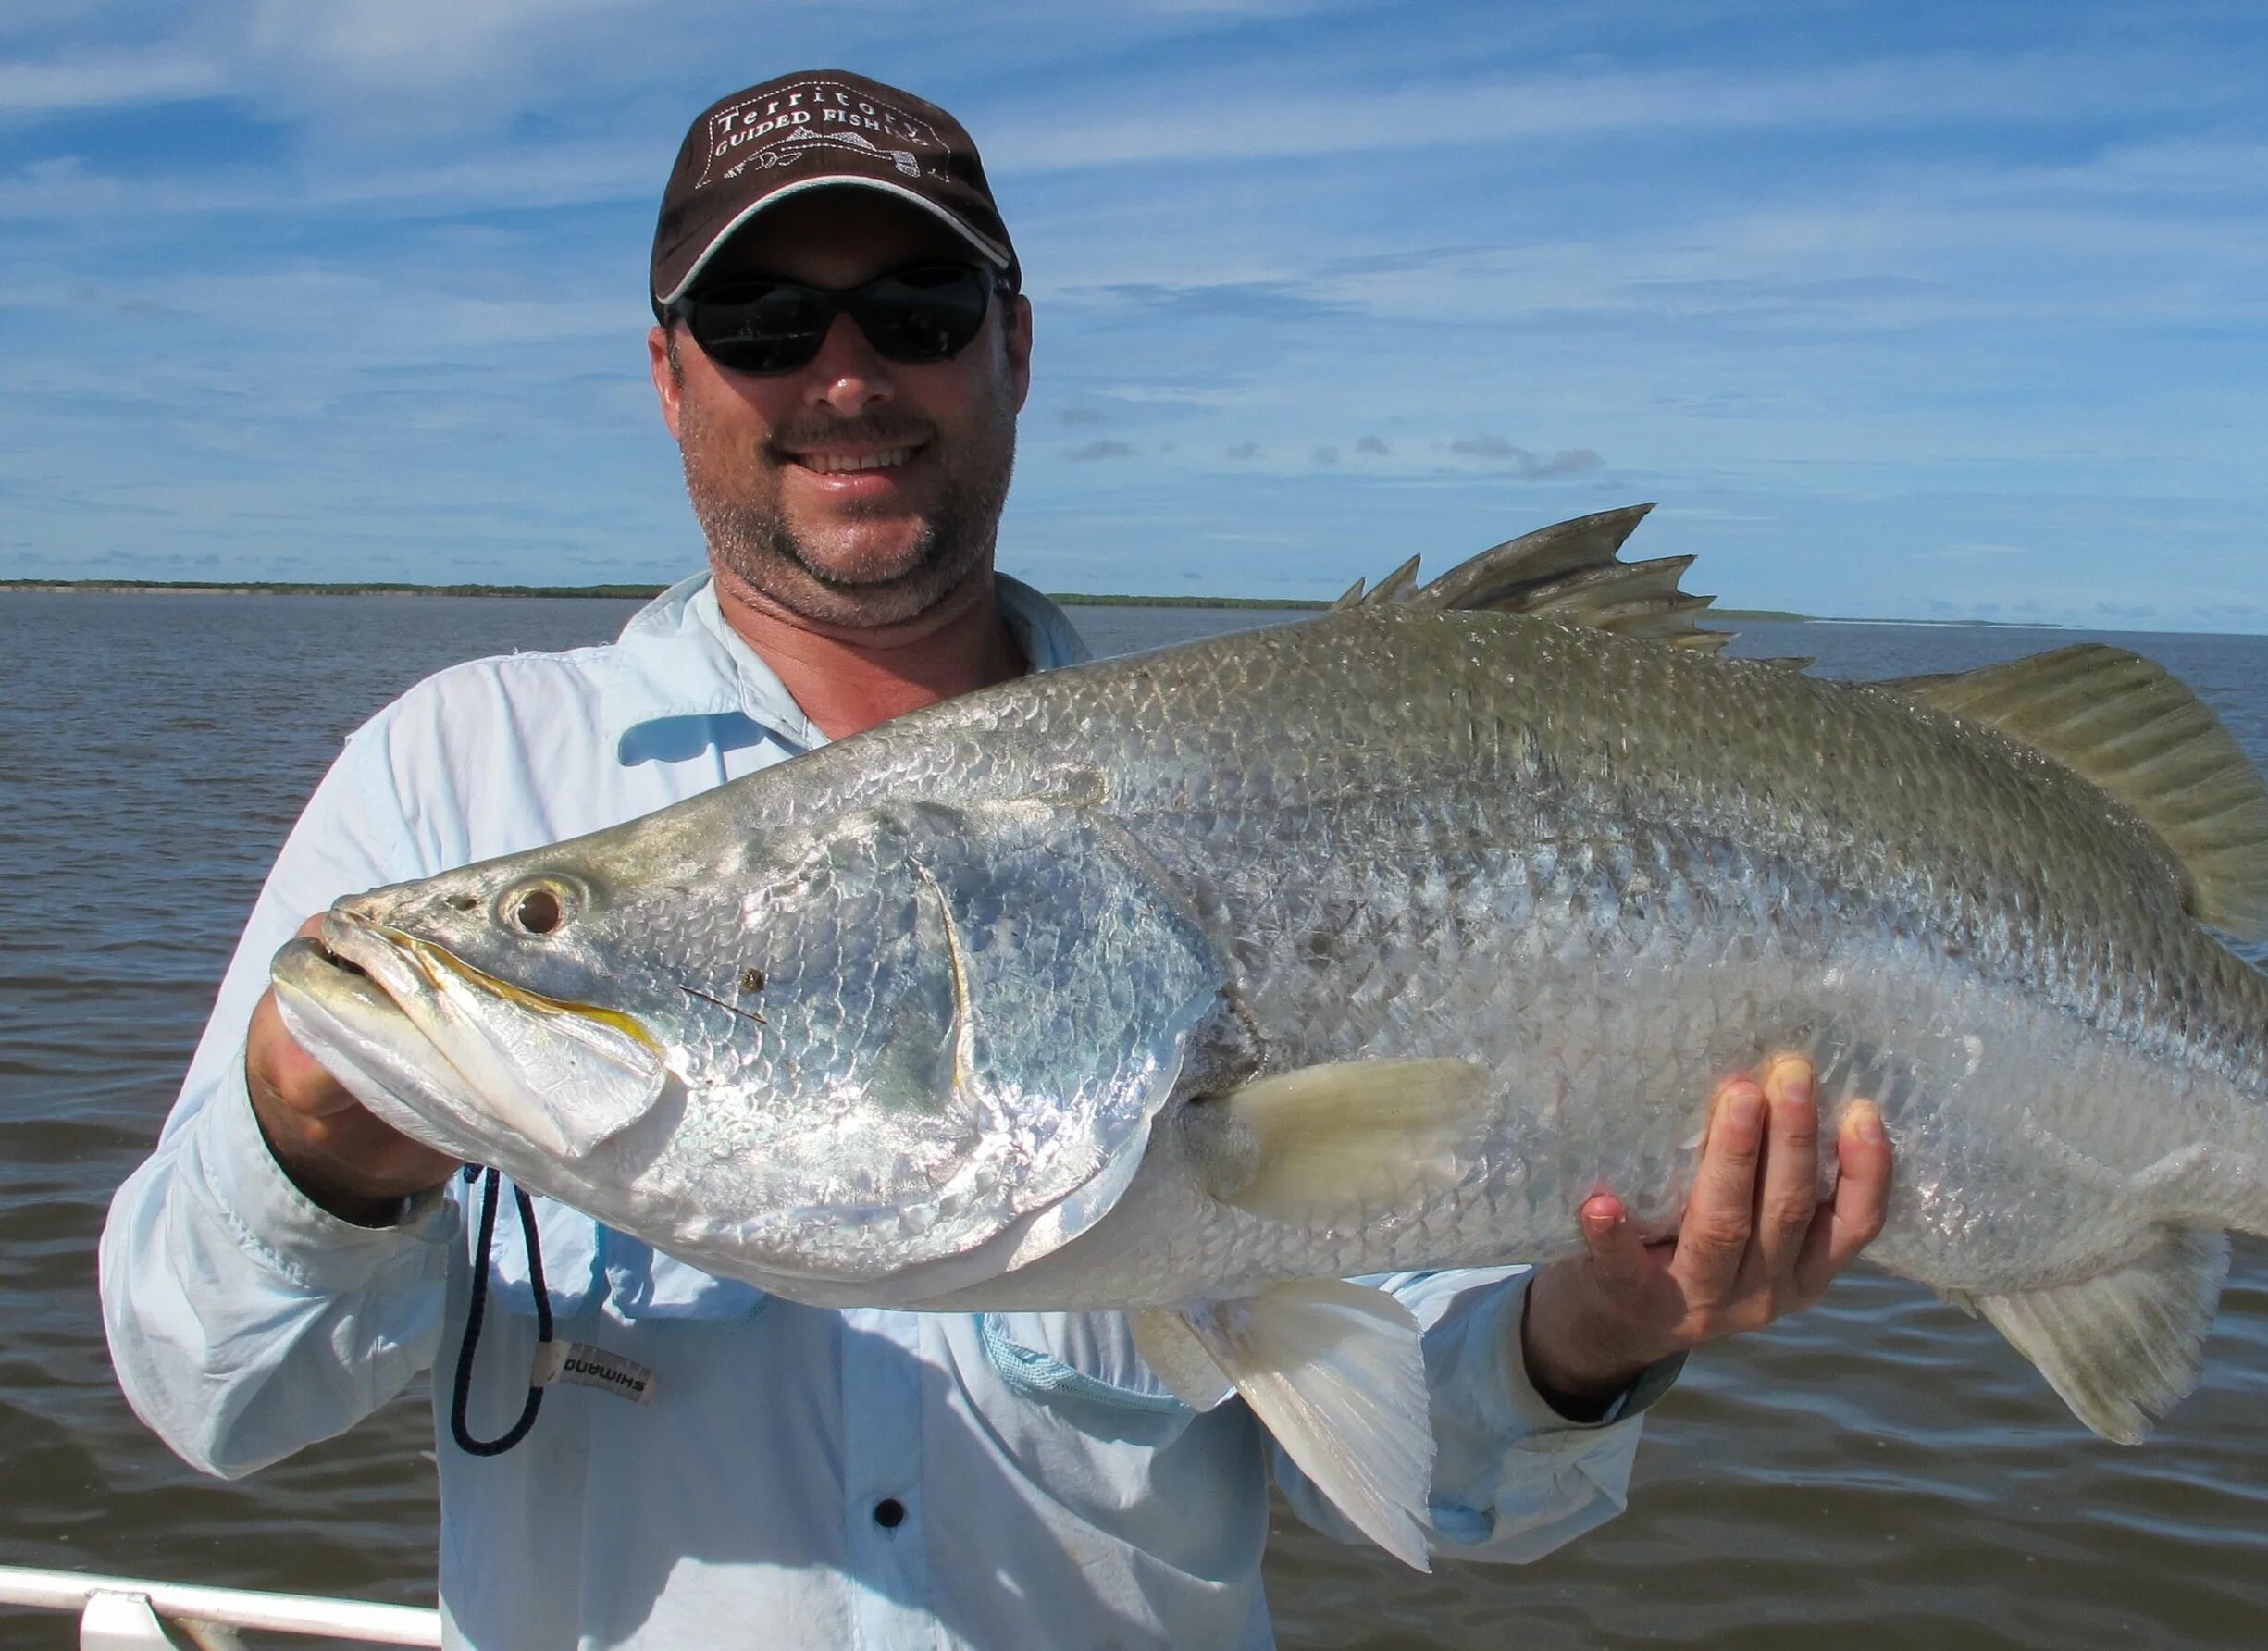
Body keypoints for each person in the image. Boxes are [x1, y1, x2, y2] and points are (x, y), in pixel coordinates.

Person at [100, 69, 1891, 1649]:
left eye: (920, 305)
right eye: (761, 321)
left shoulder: (1262, 806)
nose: (849, 377)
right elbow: (212, 1397)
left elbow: (1452, 1492)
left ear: (1015, 348)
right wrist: (318, 1157)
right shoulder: (459, 772)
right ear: (668, 376)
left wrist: (1597, 1326)